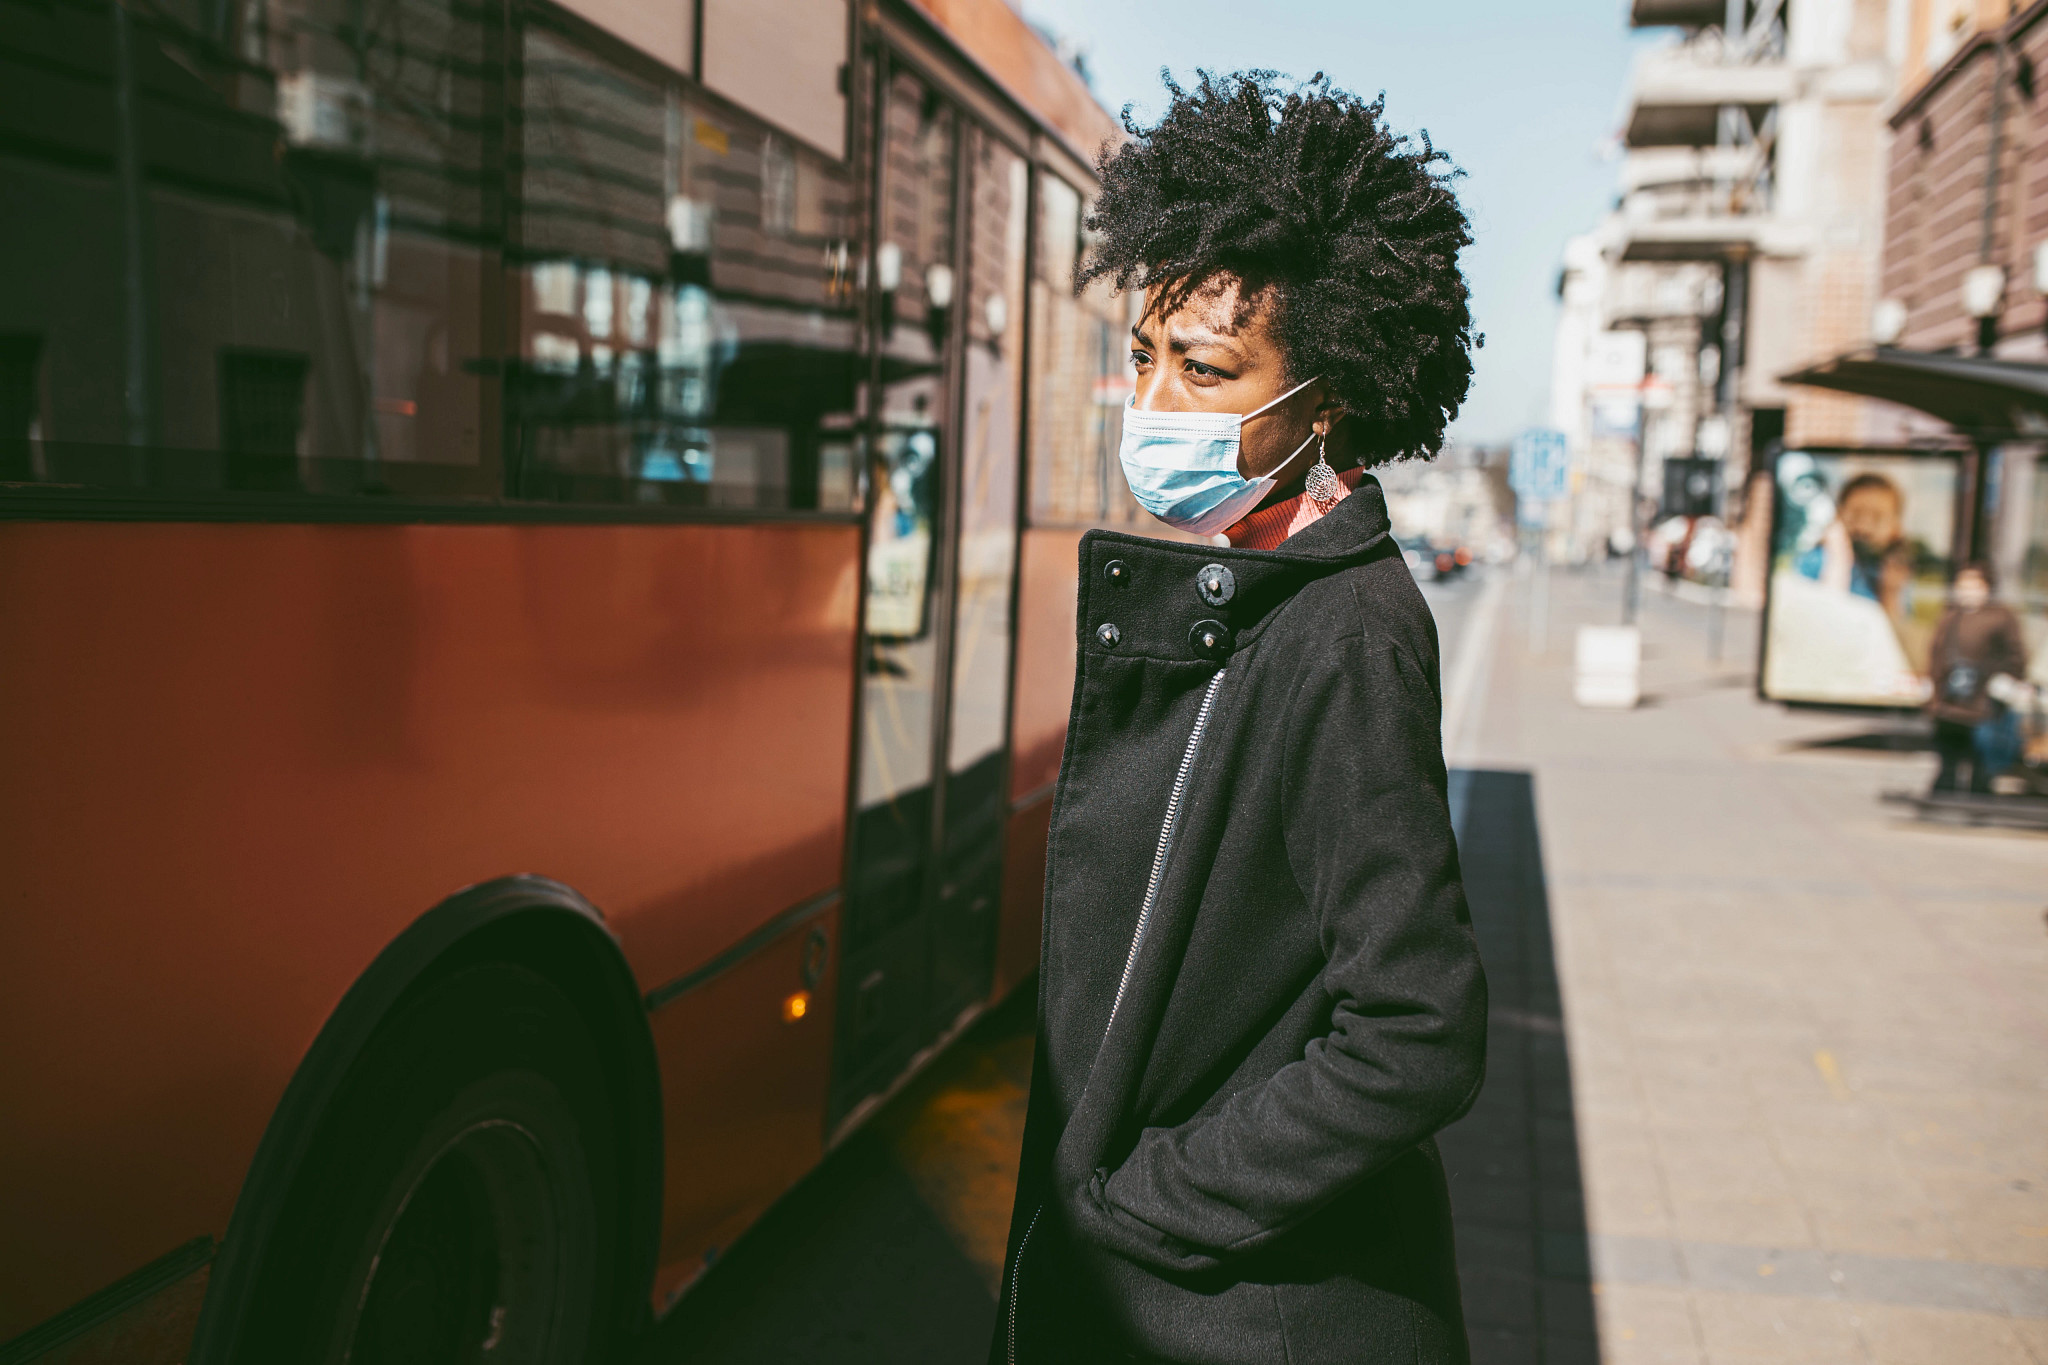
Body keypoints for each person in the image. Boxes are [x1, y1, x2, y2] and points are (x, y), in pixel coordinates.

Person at [992, 72, 1487, 1365]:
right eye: (1146, 357)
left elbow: (1418, 1027)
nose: (1156, 404)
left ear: (1324, 399)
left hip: (1232, 1321)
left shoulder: (1348, 631)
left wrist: (1142, 1203)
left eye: (1207, 370)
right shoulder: (1251, 590)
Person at [1927, 563, 2029, 794]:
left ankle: (1978, 798)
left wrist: (1996, 677)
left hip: (1982, 701)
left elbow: (2016, 656)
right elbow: (1936, 654)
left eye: (1973, 585)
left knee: (1980, 757)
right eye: (1963, 586)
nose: (1967, 591)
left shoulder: (2001, 617)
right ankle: (1943, 796)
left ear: (1986, 588)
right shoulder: (1951, 615)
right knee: (1948, 756)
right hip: (1950, 699)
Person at [1794, 471, 1911, 617]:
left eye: (1877, 518)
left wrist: (1890, 593)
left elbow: (1894, 634)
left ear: (1896, 528)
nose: (1864, 527)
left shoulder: (1894, 575)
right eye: (1855, 514)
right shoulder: (1818, 560)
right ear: (1839, 515)